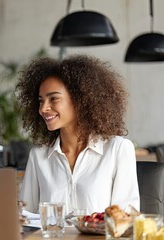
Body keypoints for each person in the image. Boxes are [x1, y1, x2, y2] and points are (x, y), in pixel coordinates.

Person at [15, 54, 140, 214]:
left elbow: (126, 219)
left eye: (53, 99)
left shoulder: (118, 149)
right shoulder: (38, 156)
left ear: (80, 100)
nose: (43, 108)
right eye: (41, 100)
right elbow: (25, 216)